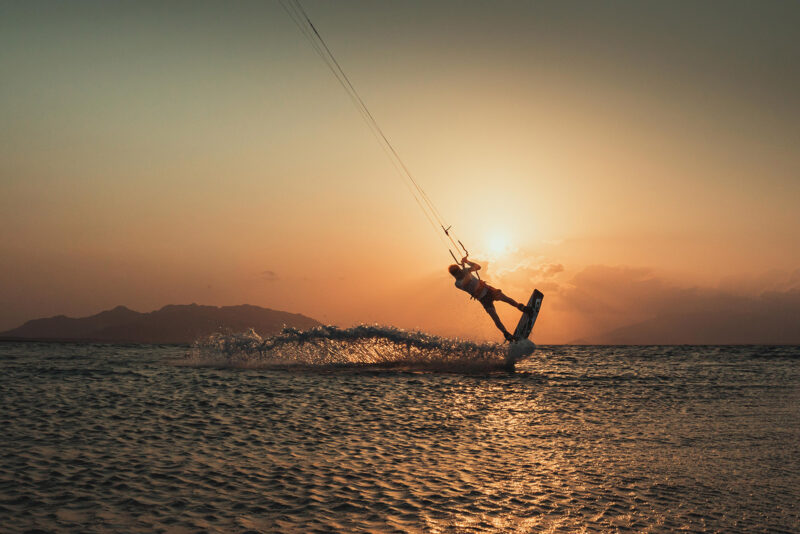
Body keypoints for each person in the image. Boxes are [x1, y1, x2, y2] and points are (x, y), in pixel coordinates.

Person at [448, 258, 531, 342]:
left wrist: (467, 262)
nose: (459, 274)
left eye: (459, 271)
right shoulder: (457, 283)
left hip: (489, 290)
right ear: (454, 275)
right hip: (483, 299)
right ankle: (506, 334)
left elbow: (478, 267)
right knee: (495, 317)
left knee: (507, 299)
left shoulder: (465, 271)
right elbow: (465, 281)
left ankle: (522, 307)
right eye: (456, 274)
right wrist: (466, 271)